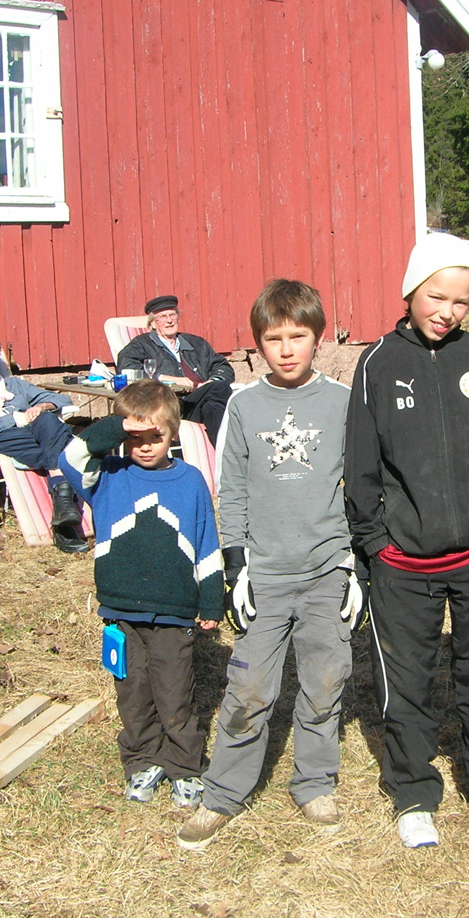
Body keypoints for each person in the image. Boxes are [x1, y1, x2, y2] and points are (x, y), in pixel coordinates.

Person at [344, 232, 469, 849]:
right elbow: (362, 464)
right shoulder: (377, 364)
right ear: (410, 290)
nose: (447, 311)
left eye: (461, 301)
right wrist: (374, 541)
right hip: (403, 560)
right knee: (409, 679)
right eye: (436, 295)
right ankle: (413, 790)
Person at [176, 279, 364, 851]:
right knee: (250, 685)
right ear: (257, 344)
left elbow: (361, 486)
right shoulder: (243, 404)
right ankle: (224, 793)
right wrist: (237, 566)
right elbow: (228, 488)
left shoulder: (342, 401)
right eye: (274, 338)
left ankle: (313, 780)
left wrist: (354, 565)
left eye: (298, 337)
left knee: (324, 678)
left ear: (318, 339)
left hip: (327, 567)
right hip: (266, 571)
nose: (286, 349)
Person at [58, 381, 223, 809]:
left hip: (174, 614)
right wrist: (117, 425)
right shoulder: (106, 476)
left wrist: (211, 601)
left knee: (175, 694)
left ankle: (185, 766)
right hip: (122, 611)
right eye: (136, 438)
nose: (146, 447)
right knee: (132, 693)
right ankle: (141, 761)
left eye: (156, 436)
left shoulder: (191, 482)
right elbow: (70, 456)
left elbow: (206, 543)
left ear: (174, 433)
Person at [0, 329, 86, 554]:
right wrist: (15, 418)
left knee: (49, 422)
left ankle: (62, 515)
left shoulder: (15, 385)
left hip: (31, 435)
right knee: (62, 446)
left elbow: (62, 399)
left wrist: (41, 407)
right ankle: (64, 523)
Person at [115, 295, 235, 444]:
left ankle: (222, 455)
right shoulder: (141, 345)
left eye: (172, 314)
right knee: (219, 393)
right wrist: (169, 379)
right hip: (170, 405)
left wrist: (210, 383)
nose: (169, 320)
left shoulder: (196, 343)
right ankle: (231, 456)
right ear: (153, 323)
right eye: (163, 317)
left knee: (213, 404)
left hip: (199, 402)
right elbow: (127, 369)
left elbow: (223, 367)